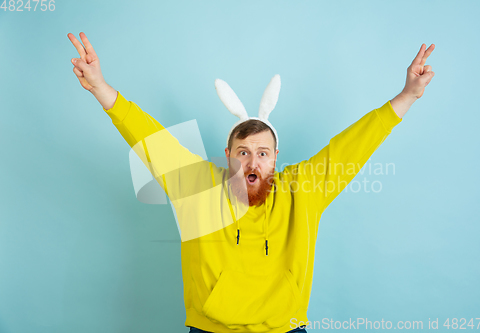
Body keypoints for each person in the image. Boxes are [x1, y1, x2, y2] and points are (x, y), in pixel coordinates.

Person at [68, 32, 435, 333]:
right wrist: (100, 88)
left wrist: (406, 96)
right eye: (243, 152)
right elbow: (151, 141)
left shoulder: (301, 189)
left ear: (276, 157)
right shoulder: (199, 186)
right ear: (227, 155)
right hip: (209, 328)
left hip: (285, 329)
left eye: (263, 152)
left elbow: (352, 146)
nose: (252, 161)